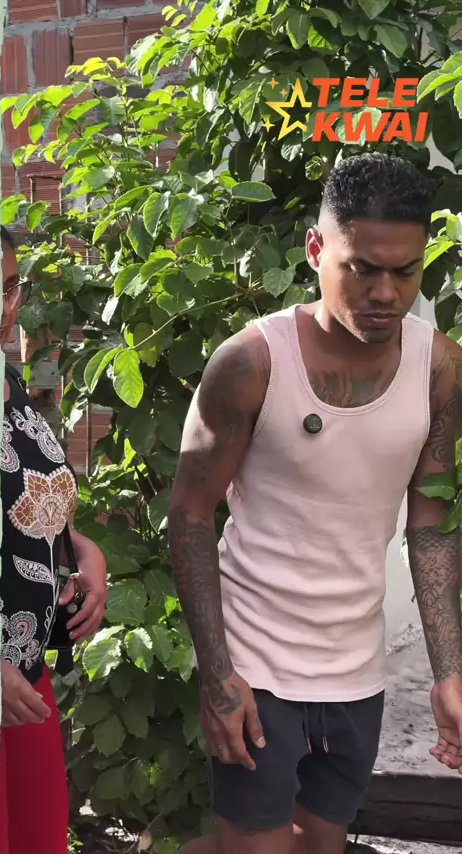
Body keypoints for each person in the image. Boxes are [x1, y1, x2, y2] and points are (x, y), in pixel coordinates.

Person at [168, 152, 462, 854]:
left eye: (405, 272)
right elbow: (190, 515)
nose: (386, 293)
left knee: (319, 847)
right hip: (257, 667)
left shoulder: (440, 367)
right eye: (362, 269)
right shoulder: (250, 363)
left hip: (357, 673)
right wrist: (218, 676)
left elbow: (430, 523)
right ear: (315, 250)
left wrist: (449, 672)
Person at [0, 226, 107, 854]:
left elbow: (23, 506)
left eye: (11, 286)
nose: (5, 307)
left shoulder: (2, 379)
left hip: (23, 680)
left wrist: (82, 549)